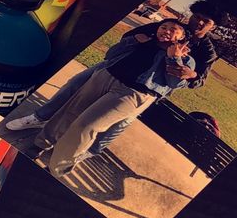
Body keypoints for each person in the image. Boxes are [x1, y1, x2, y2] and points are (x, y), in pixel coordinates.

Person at [7, 0, 225, 148]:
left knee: (117, 123)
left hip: (146, 87)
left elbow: (199, 80)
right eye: (197, 16)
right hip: (116, 66)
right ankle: (39, 117)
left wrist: (191, 74)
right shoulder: (169, 25)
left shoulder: (206, 51)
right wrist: (145, 40)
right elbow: (130, 35)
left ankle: (84, 150)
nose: (199, 22)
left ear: (213, 26)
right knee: (76, 83)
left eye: (206, 21)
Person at [34, 18, 194, 179]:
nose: (166, 30)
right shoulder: (144, 40)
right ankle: (41, 144)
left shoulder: (187, 59)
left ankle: (57, 169)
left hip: (132, 94)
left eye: (173, 29)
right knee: (70, 112)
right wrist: (133, 40)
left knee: (86, 126)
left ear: (182, 36)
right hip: (106, 76)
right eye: (163, 27)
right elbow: (110, 54)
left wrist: (174, 58)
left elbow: (173, 83)